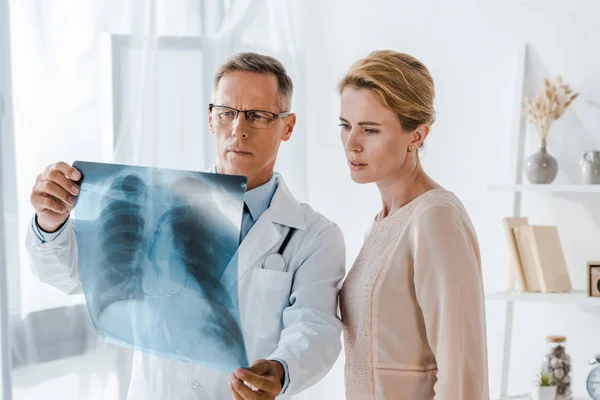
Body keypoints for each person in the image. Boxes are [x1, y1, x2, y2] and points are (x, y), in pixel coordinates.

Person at [26, 52, 346, 400]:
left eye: (258, 116)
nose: (238, 129)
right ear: (211, 119)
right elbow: (69, 276)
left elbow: (315, 327)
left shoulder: (315, 236)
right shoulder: (155, 205)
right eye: (227, 113)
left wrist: (284, 370)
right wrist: (51, 220)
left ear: (287, 126)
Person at [338, 50, 489, 399]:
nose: (352, 144)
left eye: (370, 130)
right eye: (345, 125)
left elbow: (462, 377)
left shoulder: (435, 218)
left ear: (417, 136)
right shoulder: (384, 222)